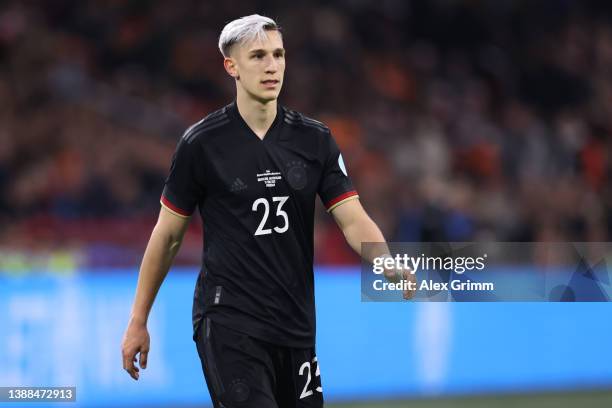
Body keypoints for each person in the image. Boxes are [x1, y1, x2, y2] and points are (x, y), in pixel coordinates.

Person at [121, 14, 413, 408]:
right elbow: (168, 235)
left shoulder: (315, 140)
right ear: (232, 66)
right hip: (229, 321)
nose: (272, 65)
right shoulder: (202, 144)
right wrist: (139, 319)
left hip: (296, 326)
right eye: (257, 55)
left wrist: (384, 261)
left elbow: (352, 216)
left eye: (278, 54)